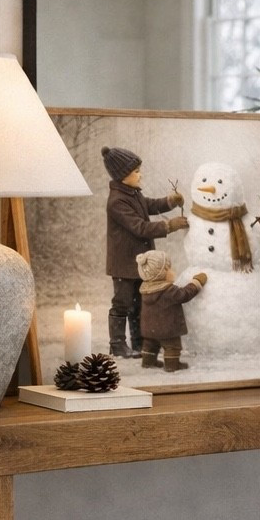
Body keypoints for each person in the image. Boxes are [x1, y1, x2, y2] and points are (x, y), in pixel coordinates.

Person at [103, 146, 187, 357]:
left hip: (140, 264)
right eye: (137, 171)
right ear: (123, 175)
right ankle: (117, 344)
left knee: (138, 303)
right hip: (124, 264)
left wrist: (169, 202)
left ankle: (138, 342)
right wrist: (170, 226)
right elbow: (140, 227)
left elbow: (148, 205)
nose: (141, 175)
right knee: (122, 303)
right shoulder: (117, 201)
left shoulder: (132, 193)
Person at [136, 250, 207, 372]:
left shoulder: (145, 289)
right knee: (172, 346)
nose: (172, 271)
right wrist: (196, 283)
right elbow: (184, 295)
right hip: (167, 329)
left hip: (149, 328)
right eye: (168, 268)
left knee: (150, 344)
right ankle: (172, 365)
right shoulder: (168, 290)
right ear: (160, 273)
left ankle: (148, 361)